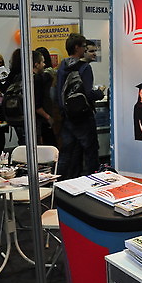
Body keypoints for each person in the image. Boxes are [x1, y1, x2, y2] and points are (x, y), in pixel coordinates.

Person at [56, 34, 103, 178]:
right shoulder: (84, 68)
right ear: (77, 47)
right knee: (90, 152)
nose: (85, 49)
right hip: (83, 116)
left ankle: (61, 182)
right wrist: (100, 93)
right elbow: (88, 94)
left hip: (67, 115)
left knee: (68, 153)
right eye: (84, 47)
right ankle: (92, 182)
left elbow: (59, 91)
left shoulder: (62, 66)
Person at [35, 46, 59, 146]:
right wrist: (49, 117)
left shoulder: (38, 77)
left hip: (40, 116)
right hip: (47, 114)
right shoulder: (47, 76)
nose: (44, 64)